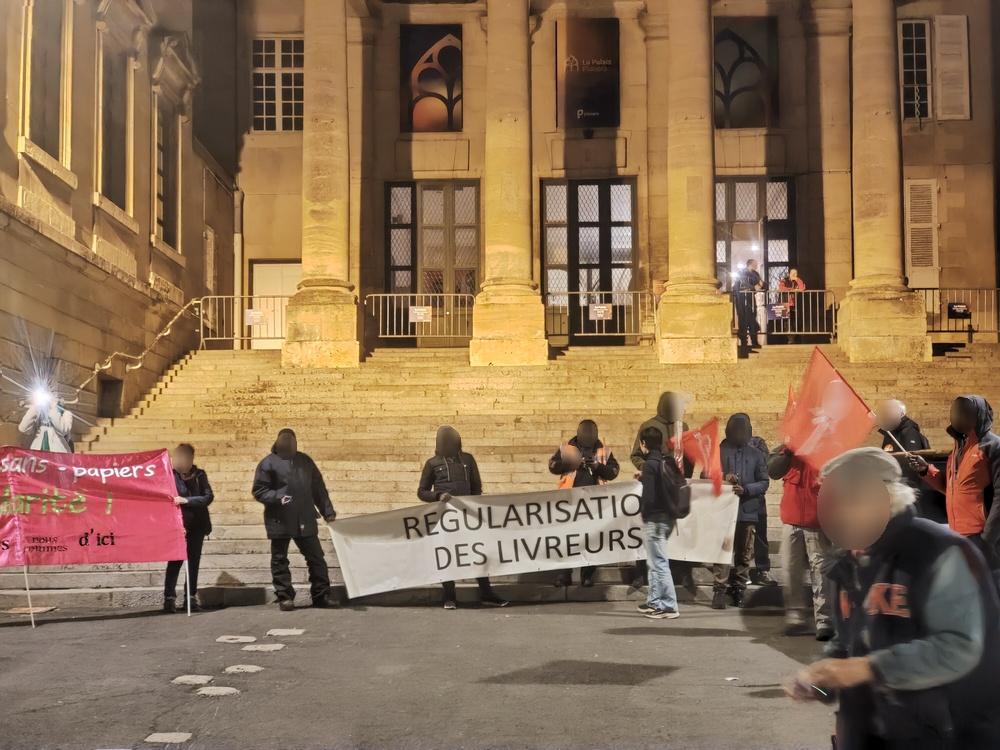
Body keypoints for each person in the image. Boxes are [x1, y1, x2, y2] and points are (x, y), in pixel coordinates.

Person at [786, 448, 1000, 748]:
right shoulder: (847, 562)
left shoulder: (939, 551)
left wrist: (871, 668)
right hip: (868, 733)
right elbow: (849, 645)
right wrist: (820, 684)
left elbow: (959, 646)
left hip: (942, 735)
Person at [418, 425, 509, 610]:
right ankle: (449, 597)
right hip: (445, 518)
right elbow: (422, 491)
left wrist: (474, 506)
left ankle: (487, 593)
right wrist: (437, 496)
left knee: (478, 553)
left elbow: (476, 486)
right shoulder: (432, 463)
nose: (448, 444)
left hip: (468, 517)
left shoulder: (468, 460)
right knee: (448, 555)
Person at [908, 396, 1000, 571]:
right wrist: (926, 470)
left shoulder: (993, 447)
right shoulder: (958, 449)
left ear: (979, 415)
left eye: (964, 411)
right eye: (955, 411)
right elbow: (952, 489)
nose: (957, 415)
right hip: (959, 534)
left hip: (984, 538)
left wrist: (987, 540)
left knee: (990, 583)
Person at [252, 428, 338, 611]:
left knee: (316, 558)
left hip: (305, 516)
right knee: (280, 559)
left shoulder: (305, 461)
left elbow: (318, 488)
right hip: (279, 519)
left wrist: (328, 512)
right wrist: (278, 497)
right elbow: (259, 490)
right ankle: (284, 597)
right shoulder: (267, 463)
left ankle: (322, 596)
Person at [630, 391, 696, 593]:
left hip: (674, 484)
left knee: (679, 530)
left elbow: (688, 455)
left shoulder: (683, 427)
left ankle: (684, 572)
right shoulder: (648, 425)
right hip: (656, 483)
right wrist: (649, 468)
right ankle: (641, 572)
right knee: (650, 534)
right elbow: (636, 455)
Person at [769, 442, 833, 640]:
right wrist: (788, 452)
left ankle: (824, 620)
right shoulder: (787, 448)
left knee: (820, 572)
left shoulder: (830, 448)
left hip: (818, 522)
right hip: (791, 520)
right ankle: (796, 617)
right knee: (791, 571)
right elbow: (773, 471)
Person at [548, 419, 620, 587]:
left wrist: (597, 467)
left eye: (591, 432)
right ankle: (564, 574)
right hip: (569, 503)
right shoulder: (566, 448)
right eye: (585, 432)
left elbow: (613, 472)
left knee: (591, 540)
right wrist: (571, 463)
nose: (588, 435)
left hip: (594, 505)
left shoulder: (604, 451)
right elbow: (553, 466)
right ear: (579, 433)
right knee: (567, 540)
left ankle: (587, 575)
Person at [710, 414, 769, 609]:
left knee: (744, 553)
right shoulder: (719, 452)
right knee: (723, 551)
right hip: (723, 511)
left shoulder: (756, 454)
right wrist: (724, 478)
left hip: (747, 510)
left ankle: (739, 590)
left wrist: (746, 489)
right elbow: (706, 476)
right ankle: (719, 590)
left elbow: (764, 482)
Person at [635, 426, 682, 620]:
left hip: (655, 518)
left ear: (643, 444)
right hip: (668, 517)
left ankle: (669, 606)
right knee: (654, 562)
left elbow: (649, 497)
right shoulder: (666, 461)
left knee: (659, 563)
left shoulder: (650, 465)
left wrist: (644, 513)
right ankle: (654, 602)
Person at [163, 443, 214, 613]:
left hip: (198, 525)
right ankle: (169, 598)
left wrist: (187, 501)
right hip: (178, 525)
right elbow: (167, 500)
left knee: (193, 562)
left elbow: (208, 497)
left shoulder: (200, 475)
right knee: (175, 562)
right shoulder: (170, 475)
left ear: (191, 459)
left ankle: (190, 597)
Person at [877, 399, 931, 489]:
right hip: (893, 485)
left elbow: (911, 466)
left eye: (890, 410)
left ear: (902, 414)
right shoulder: (891, 433)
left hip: (904, 488)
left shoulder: (909, 433)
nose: (885, 414)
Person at [748, 433, 777, 587]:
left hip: (757, 498)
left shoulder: (758, 442)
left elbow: (764, 466)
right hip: (738, 499)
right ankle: (740, 571)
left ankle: (762, 570)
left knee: (760, 537)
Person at [732, 260, 763, 350]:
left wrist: (761, 285)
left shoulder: (755, 274)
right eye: (755, 264)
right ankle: (744, 342)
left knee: (752, 320)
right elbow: (743, 283)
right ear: (750, 264)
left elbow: (760, 283)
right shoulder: (742, 272)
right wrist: (754, 287)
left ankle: (754, 342)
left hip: (751, 299)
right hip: (742, 299)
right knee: (743, 321)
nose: (756, 265)